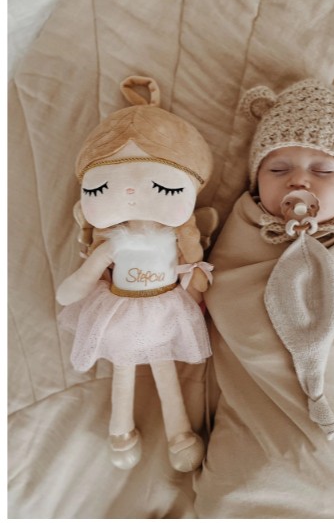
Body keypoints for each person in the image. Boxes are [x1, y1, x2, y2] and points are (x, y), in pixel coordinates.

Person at [194, 78, 334, 518]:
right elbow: (227, 293)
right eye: (278, 169)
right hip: (257, 437)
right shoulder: (241, 235)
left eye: (323, 171)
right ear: (256, 183)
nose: (299, 180)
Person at [56, 76, 214, 473]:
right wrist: (75, 287)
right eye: (103, 188)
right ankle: (120, 430)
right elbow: (85, 278)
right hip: (120, 308)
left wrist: (195, 295)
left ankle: (178, 433)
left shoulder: (176, 237)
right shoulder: (112, 241)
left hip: (164, 307)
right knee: (122, 371)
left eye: (162, 186)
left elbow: (192, 268)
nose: (130, 193)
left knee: (164, 369)